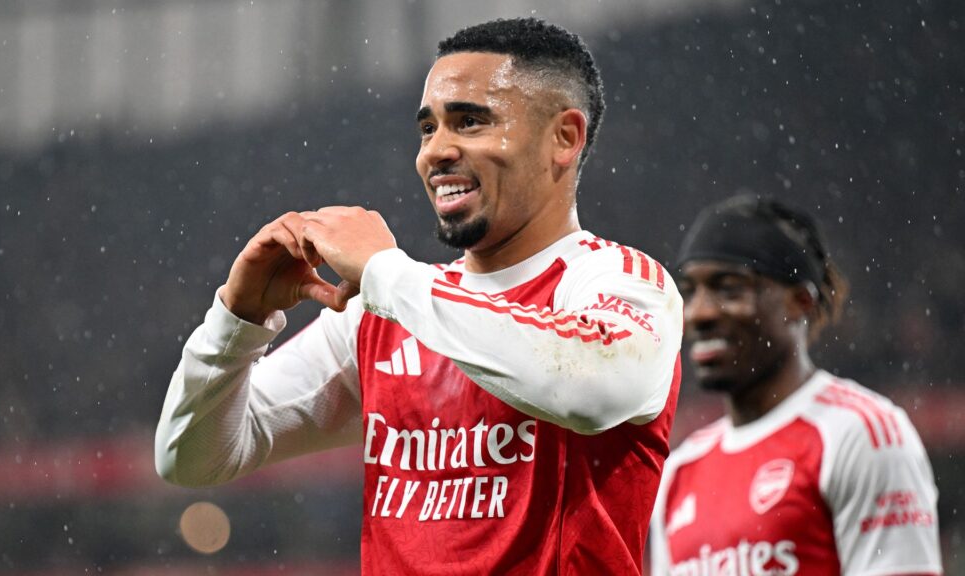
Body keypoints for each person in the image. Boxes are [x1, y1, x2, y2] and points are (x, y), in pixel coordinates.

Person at [155, 17, 684, 574]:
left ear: (564, 137)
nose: (436, 152)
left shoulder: (618, 282)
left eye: (471, 122)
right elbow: (190, 458)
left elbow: (589, 389)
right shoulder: (379, 316)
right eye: (428, 129)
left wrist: (388, 273)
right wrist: (235, 322)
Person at [649, 195, 943, 575]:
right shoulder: (680, 471)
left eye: (729, 288)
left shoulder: (861, 434)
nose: (699, 312)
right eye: (690, 291)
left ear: (800, 302)